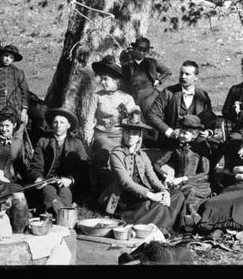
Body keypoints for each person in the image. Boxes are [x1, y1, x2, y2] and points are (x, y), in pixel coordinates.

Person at [98, 107, 188, 235]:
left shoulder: (142, 155)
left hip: (145, 191)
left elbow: (152, 178)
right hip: (125, 195)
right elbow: (125, 182)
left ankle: (162, 226)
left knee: (177, 195)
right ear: (123, 134)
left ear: (139, 136)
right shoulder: (116, 154)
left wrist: (164, 191)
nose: (130, 136)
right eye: (127, 132)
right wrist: (152, 195)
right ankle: (159, 229)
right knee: (157, 205)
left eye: (134, 133)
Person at [83, 55, 136, 195]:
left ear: (116, 80)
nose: (103, 82)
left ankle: (122, 192)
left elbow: (134, 123)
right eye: (102, 79)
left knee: (122, 156)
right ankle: (106, 192)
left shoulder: (126, 98)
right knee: (107, 152)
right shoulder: (97, 96)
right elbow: (88, 120)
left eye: (106, 79)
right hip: (101, 135)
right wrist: (87, 141)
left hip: (120, 137)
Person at [152, 115, 211, 227]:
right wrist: (166, 176)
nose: (181, 136)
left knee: (190, 192)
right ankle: (188, 220)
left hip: (197, 182)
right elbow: (156, 164)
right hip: (177, 184)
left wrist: (184, 179)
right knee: (177, 194)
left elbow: (205, 173)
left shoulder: (201, 148)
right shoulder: (175, 148)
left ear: (194, 135)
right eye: (181, 132)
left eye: (185, 133)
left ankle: (192, 217)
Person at [29, 108, 90, 214]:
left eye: (62, 122)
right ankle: (63, 214)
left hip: (67, 183)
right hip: (47, 182)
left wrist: (71, 179)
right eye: (55, 122)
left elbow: (83, 169)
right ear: (52, 125)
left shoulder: (76, 143)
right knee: (48, 191)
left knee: (65, 192)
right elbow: (36, 166)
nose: (58, 125)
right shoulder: (43, 142)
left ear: (68, 125)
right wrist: (39, 178)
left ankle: (56, 213)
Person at [148, 60, 212, 147]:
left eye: (187, 74)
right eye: (181, 73)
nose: (183, 76)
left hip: (195, 142)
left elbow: (209, 118)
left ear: (196, 77)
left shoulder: (203, 96)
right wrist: (170, 132)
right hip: (170, 141)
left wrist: (208, 132)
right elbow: (152, 114)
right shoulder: (168, 92)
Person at [121, 37, 172, 144]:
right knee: (137, 119)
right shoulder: (127, 65)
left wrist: (158, 80)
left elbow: (167, 71)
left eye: (144, 51)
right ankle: (143, 143)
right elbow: (124, 82)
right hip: (134, 95)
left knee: (152, 117)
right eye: (139, 50)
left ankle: (157, 142)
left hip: (149, 94)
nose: (141, 53)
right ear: (134, 49)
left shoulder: (152, 62)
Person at [0, 45, 29, 138]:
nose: (7, 59)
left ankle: (18, 152)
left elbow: (25, 92)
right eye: (6, 56)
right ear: (2, 56)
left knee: (17, 138)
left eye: (11, 57)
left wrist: (24, 111)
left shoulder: (19, 72)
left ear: (13, 60)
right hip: (0, 111)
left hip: (16, 110)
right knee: (2, 137)